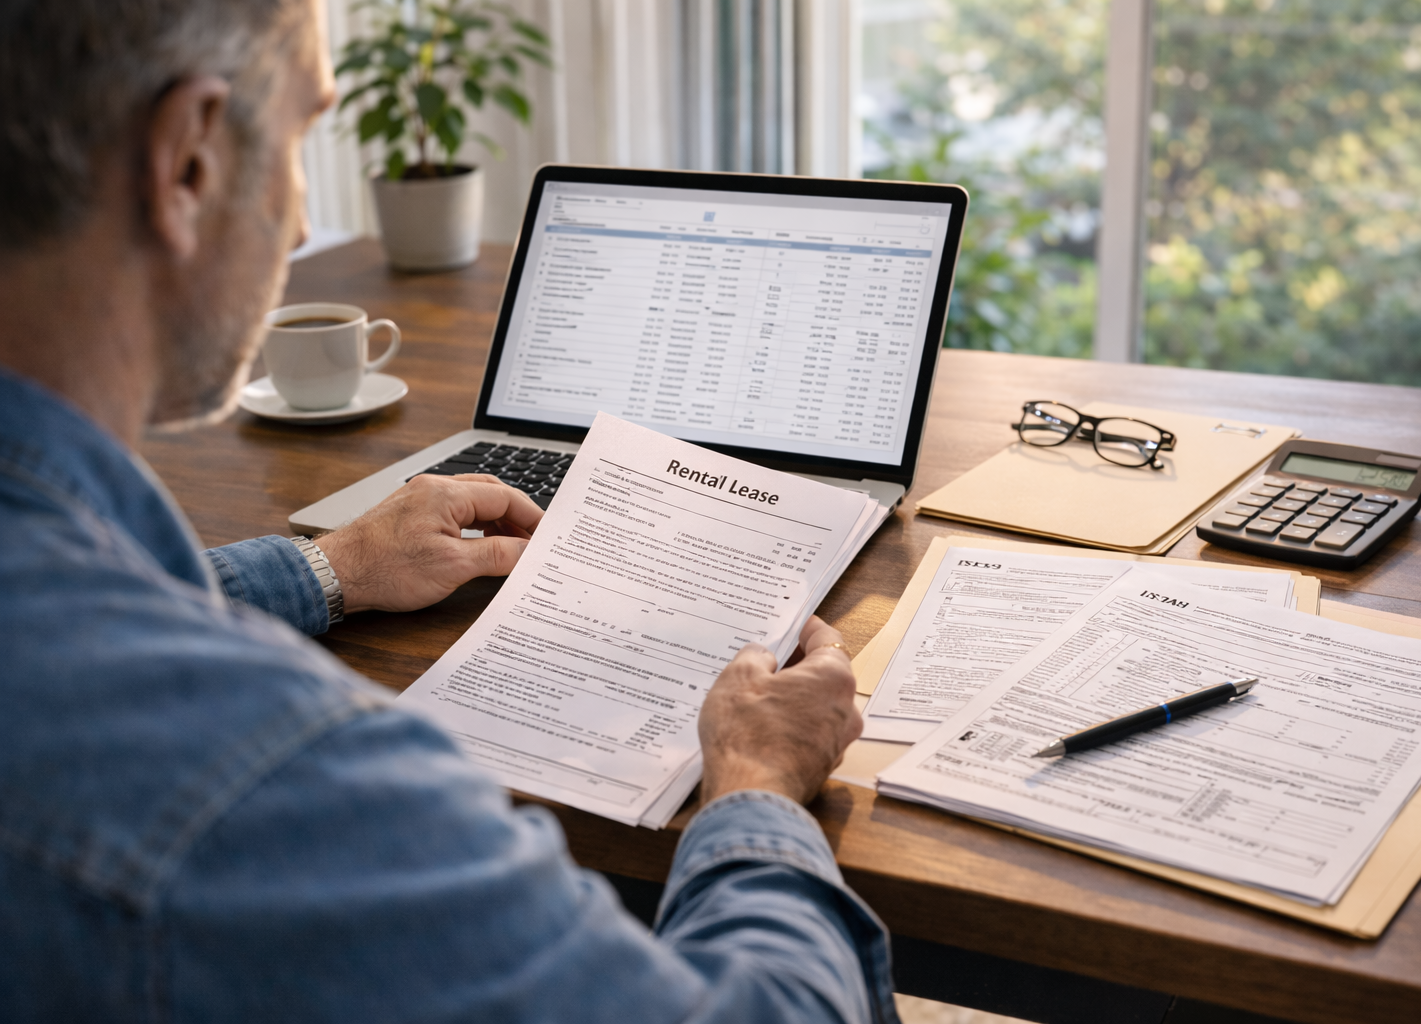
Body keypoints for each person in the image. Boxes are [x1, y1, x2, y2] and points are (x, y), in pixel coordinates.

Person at [0, 1, 897, 1020]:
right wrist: (756, 784)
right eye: (303, 134)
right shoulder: (268, 778)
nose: (300, 223)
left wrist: (326, 568)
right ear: (190, 162)